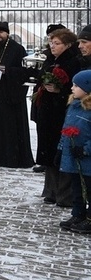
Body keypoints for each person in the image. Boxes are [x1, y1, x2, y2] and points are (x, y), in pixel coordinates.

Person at [31, 28, 80, 205]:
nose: (52, 46)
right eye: (51, 42)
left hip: (61, 113)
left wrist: (60, 91)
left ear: (67, 45)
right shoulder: (51, 60)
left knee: (62, 152)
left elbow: (76, 90)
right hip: (47, 113)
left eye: (57, 43)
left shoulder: (73, 62)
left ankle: (64, 194)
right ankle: (50, 190)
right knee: (49, 151)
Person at [0, 21, 34, 168]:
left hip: (11, 95)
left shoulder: (18, 49)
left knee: (10, 127)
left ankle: (13, 157)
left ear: (7, 33)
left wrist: (8, 71)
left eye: (1, 32)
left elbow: (26, 72)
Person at [56, 70, 91, 233]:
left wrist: (85, 149)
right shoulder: (73, 106)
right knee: (76, 188)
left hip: (86, 158)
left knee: (88, 189)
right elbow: (66, 128)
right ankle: (78, 214)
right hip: (73, 157)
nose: (72, 88)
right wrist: (60, 149)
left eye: (76, 85)